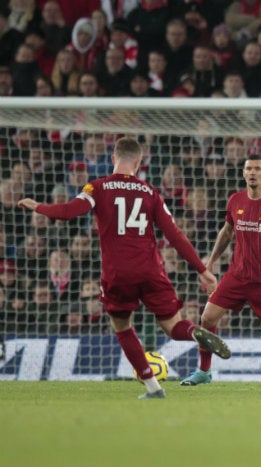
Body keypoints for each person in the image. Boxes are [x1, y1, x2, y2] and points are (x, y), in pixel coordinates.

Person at [17, 137, 231, 399]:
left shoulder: (97, 187)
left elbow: (69, 211)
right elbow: (175, 235)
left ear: (113, 158)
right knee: (174, 327)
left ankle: (153, 388)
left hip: (118, 273)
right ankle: (195, 334)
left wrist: (37, 206)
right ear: (139, 162)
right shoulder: (150, 191)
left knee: (122, 326)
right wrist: (203, 270)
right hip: (152, 270)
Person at [180, 154, 261, 388]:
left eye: (257, 168)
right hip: (237, 275)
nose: (252, 172)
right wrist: (210, 262)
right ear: (244, 173)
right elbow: (226, 233)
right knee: (206, 318)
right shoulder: (235, 200)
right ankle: (204, 371)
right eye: (248, 169)